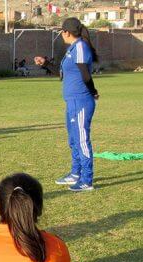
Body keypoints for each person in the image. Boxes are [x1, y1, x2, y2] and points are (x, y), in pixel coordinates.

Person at [34, 17, 99, 192]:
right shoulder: (72, 49)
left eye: (61, 31)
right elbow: (62, 74)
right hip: (72, 102)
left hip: (81, 102)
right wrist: (46, 64)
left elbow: (85, 75)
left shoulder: (80, 47)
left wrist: (93, 91)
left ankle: (87, 180)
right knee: (73, 140)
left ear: (66, 32)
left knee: (82, 140)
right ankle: (75, 173)